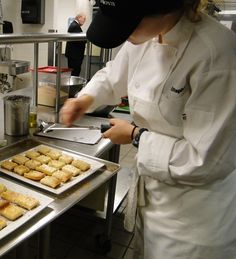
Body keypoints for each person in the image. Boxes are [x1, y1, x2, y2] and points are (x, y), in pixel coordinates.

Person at [60, 0, 236, 258]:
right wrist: (84, 99)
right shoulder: (146, 35)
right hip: (153, 198)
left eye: (129, 24)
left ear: (168, 7)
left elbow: (206, 160)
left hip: (194, 221)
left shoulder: (216, 53)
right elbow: (113, 75)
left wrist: (136, 136)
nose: (126, 35)